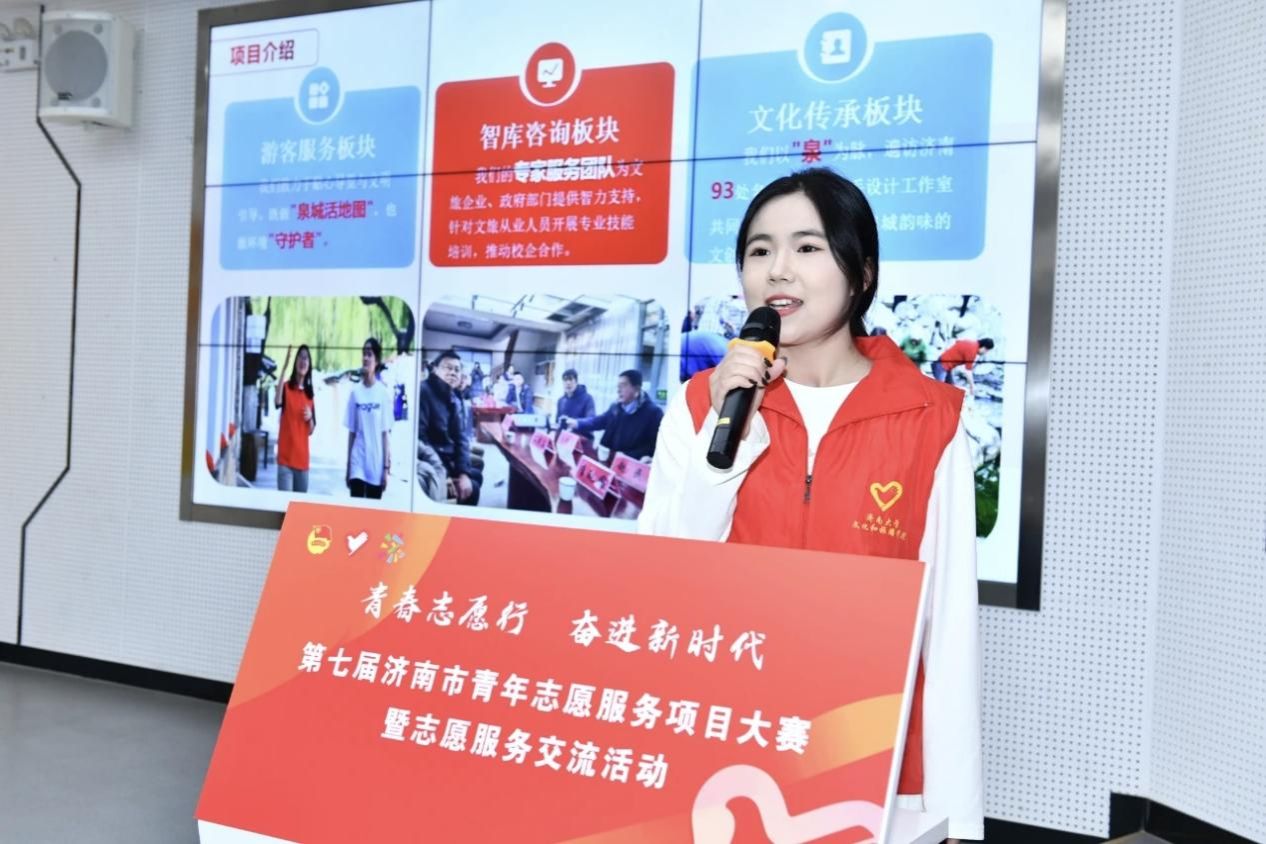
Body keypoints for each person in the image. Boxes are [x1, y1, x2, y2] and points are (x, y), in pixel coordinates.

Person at [638, 168, 983, 842]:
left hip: (867, 762)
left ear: (861, 272)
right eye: (759, 250)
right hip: (719, 745)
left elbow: (947, 634)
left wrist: (959, 819)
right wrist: (726, 437)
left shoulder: (931, 419)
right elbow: (664, 582)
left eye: (807, 247)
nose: (778, 270)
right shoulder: (702, 404)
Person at [417, 350, 481, 505]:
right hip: (435, 461)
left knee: (475, 475)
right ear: (435, 369)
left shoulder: (453, 396)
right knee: (474, 487)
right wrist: (444, 475)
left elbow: (461, 438)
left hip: (448, 456)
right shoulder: (424, 391)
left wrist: (463, 473)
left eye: (457, 370)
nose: (453, 373)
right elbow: (421, 440)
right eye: (448, 367)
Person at [564, 370, 663, 461]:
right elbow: (599, 421)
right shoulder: (616, 407)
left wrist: (629, 456)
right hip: (609, 460)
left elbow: (653, 447)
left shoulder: (654, 414)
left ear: (636, 389)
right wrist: (577, 423)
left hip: (630, 466)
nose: (618, 390)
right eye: (618, 386)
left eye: (623, 386)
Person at [344, 338, 393, 499]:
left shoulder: (383, 393)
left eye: (369, 354)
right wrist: (348, 467)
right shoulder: (355, 392)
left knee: (373, 511)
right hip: (357, 461)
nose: (365, 358)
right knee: (356, 509)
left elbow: (385, 434)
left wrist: (386, 468)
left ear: (376, 360)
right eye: (364, 354)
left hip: (375, 463)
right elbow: (352, 432)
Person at [274, 344, 316, 492]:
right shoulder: (286, 388)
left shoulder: (310, 395)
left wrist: (310, 418)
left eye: (306, 358)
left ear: (309, 365)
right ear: (295, 361)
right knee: (285, 503)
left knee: (299, 505)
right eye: (300, 357)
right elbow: (277, 402)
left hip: (302, 462)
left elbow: (311, 430)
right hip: (285, 461)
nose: (303, 361)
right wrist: (284, 368)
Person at [555, 369, 595, 436]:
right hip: (564, 438)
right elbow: (557, 422)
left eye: (570, 379)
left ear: (576, 382)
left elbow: (591, 421)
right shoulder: (561, 401)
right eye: (565, 380)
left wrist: (576, 423)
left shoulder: (588, 399)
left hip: (582, 438)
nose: (568, 383)